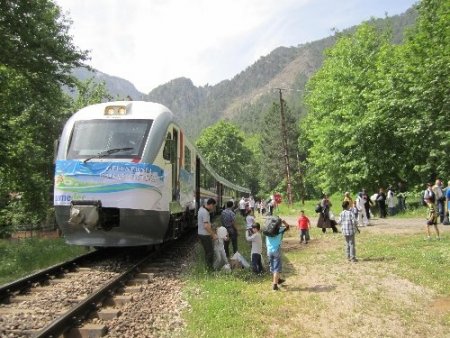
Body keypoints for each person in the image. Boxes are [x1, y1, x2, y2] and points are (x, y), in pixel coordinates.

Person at [266, 218, 290, 291]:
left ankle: (278, 280)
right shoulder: (280, 230)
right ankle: (275, 285)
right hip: (276, 251)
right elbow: (288, 227)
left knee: (273, 267)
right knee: (276, 268)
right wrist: (284, 221)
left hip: (269, 251)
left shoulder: (267, 231)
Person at [198, 198, 217, 271]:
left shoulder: (201, 209)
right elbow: (206, 226)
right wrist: (213, 235)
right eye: (214, 206)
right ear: (211, 204)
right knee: (210, 252)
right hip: (205, 235)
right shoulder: (205, 212)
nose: (213, 208)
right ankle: (210, 269)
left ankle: (207, 268)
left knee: (207, 252)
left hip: (201, 234)